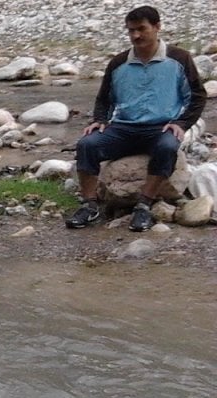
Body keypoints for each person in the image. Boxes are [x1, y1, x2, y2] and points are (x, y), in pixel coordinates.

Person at [66, 5, 207, 232]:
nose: (135, 36)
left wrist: (182, 123)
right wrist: (100, 119)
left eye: (141, 29)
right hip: (123, 129)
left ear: (157, 27)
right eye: (131, 30)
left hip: (160, 128)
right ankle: (89, 205)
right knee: (87, 144)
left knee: (167, 147)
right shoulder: (118, 63)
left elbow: (198, 96)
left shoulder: (179, 58)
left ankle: (144, 204)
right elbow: (104, 98)